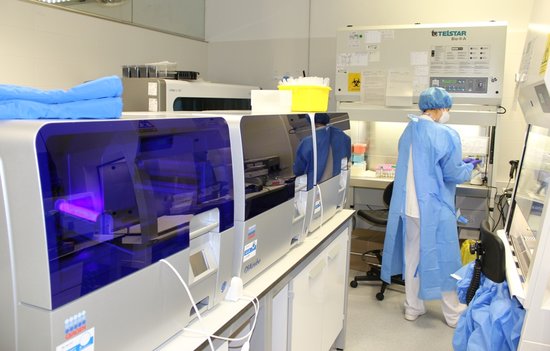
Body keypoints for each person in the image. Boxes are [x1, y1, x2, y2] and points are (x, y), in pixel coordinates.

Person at [380, 87, 480, 328]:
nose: (447, 113)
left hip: (408, 208)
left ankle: (413, 308)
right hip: (433, 209)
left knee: (412, 258)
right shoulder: (445, 133)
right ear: (439, 108)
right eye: (447, 109)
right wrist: (471, 167)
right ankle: (454, 315)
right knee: (445, 259)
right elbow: (452, 173)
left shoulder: (409, 130)